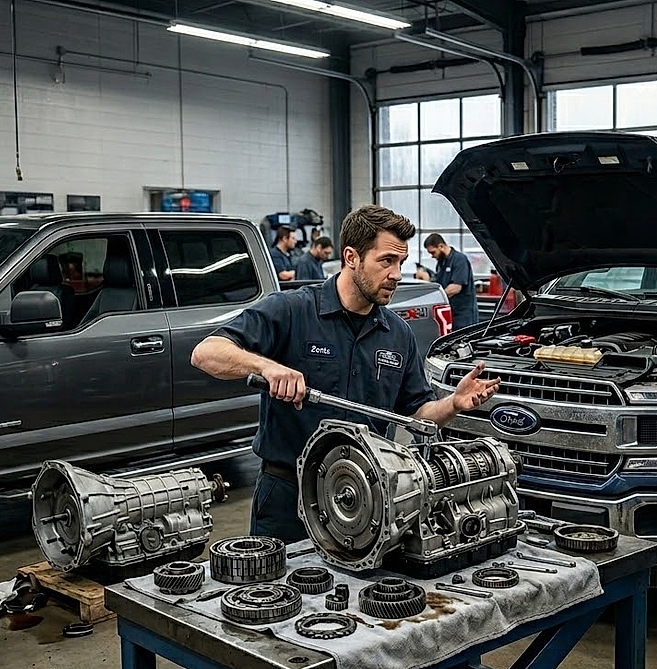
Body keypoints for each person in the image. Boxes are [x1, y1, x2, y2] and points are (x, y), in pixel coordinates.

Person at [190, 204, 500, 542]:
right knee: (272, 592)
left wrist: (453, 403)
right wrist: (267, 366)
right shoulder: (292, 310)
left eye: (400, 262)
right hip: (287, 495)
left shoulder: (398, 334)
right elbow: (206, 353)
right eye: (386, 261)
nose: (397, 274)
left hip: (365, 501)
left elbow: (418, 414)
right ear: (351, 257)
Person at [415, 233, 479, 328]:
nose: (432, 256)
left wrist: (434, 299)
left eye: (433, 252)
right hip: (450, 313)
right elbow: (439, 284)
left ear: (441, 246)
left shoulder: (459, 260)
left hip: (463, 315)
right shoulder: (440, 264)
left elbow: (455, 288)